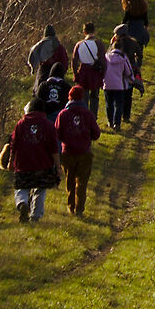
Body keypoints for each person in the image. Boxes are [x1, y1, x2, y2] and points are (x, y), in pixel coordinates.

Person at [0, 95, 59, 222]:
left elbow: (14, 144)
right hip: (43, 165)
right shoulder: (48, 125)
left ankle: (22, 203)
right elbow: (54, 148)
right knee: (40, 190)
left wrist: (11, 161)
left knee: (21, 187)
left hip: (23, 164)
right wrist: (57, 166)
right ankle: (35, 216)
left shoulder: (21, 124)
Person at [55, 84, 101, 215]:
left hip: (67, 153)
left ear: (69, 97)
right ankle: (80, 208)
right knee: (82, 183)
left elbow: (56, 134)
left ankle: (71, 206)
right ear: (82, 98)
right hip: (84, 153)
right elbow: (96, 134)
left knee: (69, 181)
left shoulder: (63, 114)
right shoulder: (88, 114)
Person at [101, 40, 136, 132]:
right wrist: (132, 79)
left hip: (107, 84)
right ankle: (117, 123)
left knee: (109, 104)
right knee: (118, 104)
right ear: (121, 48)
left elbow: (103, 69)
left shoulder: (106, 56)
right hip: (119, 85)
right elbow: (128, 71)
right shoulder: (123, 57)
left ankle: (110, 121)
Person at [73, 24, 106, 122]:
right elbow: (103, 61)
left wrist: (76, 74)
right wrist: (103, 75)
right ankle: (93, 117)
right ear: (94, 31)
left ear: (84, 32)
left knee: (84, 97)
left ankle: (84, 117)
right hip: (95, 72)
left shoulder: (79, 44)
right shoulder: (98, 43)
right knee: (95, 96)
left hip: (83, 71)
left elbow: (74, 60)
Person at [30, 24, 67, 92]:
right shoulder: (59, 46)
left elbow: (32, 57)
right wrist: (63, 71)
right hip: (57, 73)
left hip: (43, 72)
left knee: (40, 92)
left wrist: (33, 68)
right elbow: (64, 61)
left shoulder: (40, 45)